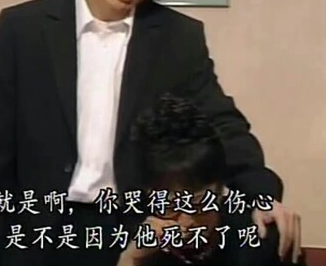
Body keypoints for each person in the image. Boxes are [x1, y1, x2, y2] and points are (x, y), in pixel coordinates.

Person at [0, 0, 300, 266]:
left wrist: (259, 193)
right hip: (44, 230)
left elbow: (223, 125)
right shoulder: (24, 29)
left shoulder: (177, 38)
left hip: (132, 228)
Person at [117, 93, 305, 266]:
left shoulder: (261, 240)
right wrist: (131, 259)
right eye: (171, 207)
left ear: (221, 188)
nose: (187, 221)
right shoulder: (129, 235)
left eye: (200, 204)